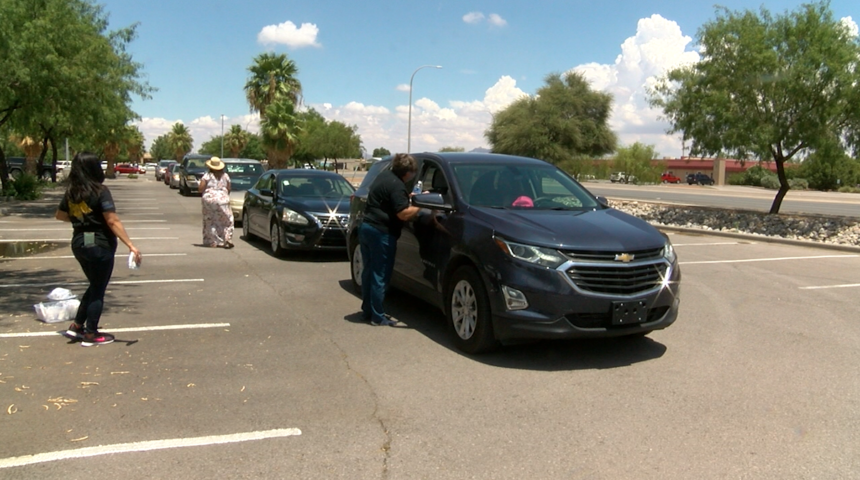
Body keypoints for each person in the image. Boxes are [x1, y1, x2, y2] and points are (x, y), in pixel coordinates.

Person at [55, 153, 141, 346]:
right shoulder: (100, 190)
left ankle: (77, 326)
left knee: (95, 285)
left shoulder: (72, 192)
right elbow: (112, 220)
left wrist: (81, 220)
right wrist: (131, 245)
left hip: (79, 243)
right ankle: (91, 333)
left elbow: (60, 215)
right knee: (98, 289)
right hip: (99, 245)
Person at [359, 153, 420, 326]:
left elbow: (391, 199)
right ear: (407, 172)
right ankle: (378, 316)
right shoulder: (397, 186)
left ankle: (367, 310)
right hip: (381, 233)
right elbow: (402, 214)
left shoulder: (384, 176)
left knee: (369, 272)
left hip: (367, 227)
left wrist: (409, 197)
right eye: (413, 172)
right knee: (380, 274)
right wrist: (419, 205)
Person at [198, 157, 234, 248]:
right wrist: (223, 195)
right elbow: (229, 188)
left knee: (210, 220)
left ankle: (212, 241)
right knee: (227, 220)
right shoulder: (225, 176)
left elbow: (201, 188)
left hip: (209, 200)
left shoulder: (207, 176)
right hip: (223, 199)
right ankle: (227, 238)